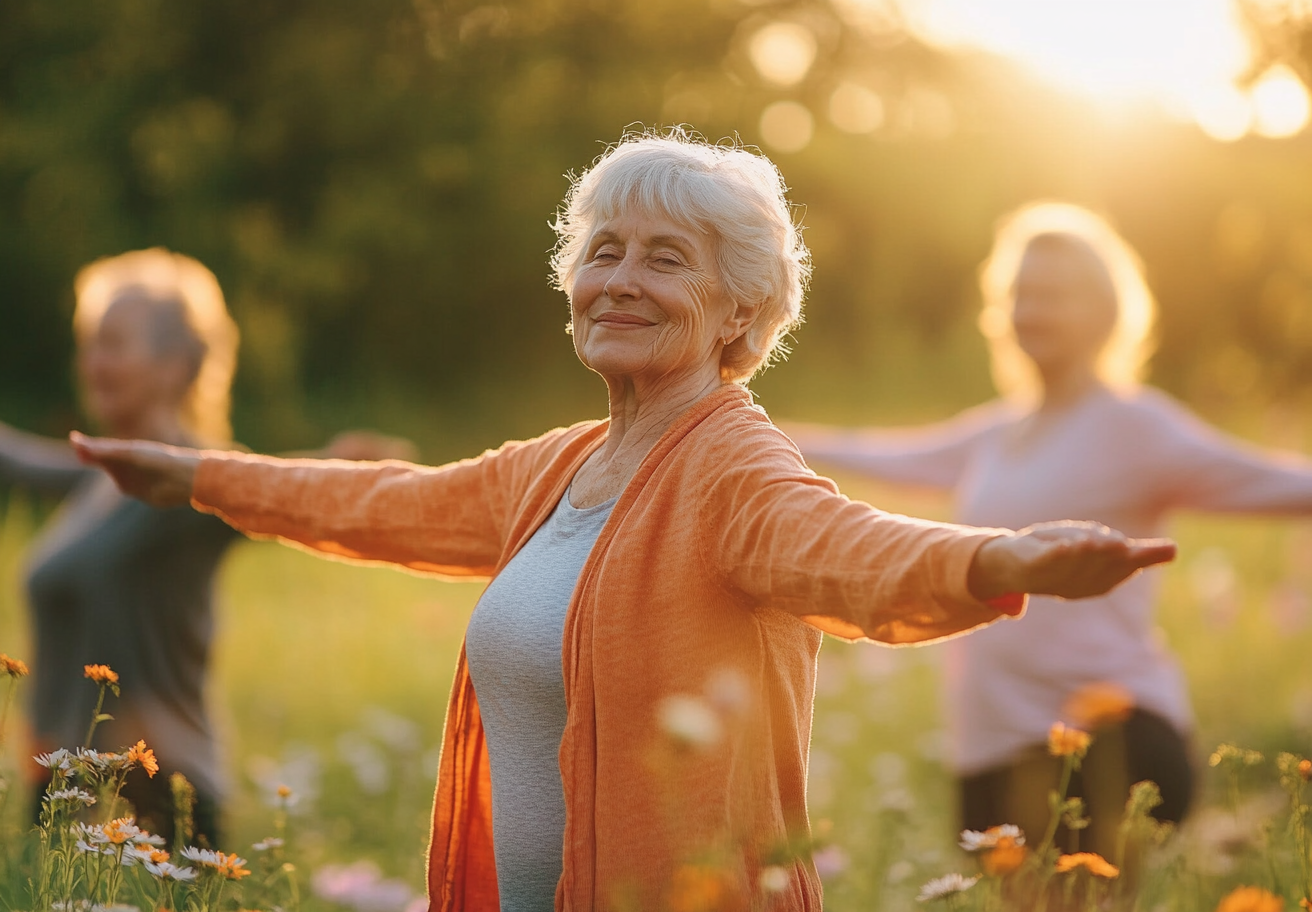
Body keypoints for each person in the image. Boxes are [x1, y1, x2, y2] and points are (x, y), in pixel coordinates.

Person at [73, 136, 1173, 911]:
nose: (620, 281)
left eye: (664, 258)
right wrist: (191, 475)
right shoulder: (560, 465)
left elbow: (844, 547)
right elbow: (382, 506)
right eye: (603, 252)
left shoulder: (731, 466)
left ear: (741, 308)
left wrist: (996, 557)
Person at [785, 201, 1312, 859]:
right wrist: (758, 434)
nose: (1030, 311)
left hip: (1107, 739)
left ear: (1104, 310)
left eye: (1053, 295)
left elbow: (1280, 483)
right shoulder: (1001, 432)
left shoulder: (1134, 426)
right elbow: (890, 454)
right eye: (1019, 295)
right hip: (991, 744)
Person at [2, 248, 413, 846]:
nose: (92, 362)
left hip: (159, 798)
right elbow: (15, 459)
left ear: (174, 366)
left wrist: (343, 465)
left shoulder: (195, 486)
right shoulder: (96, 475)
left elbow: (270, 482)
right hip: (64, 795)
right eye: (88, 343)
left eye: (113, 343)